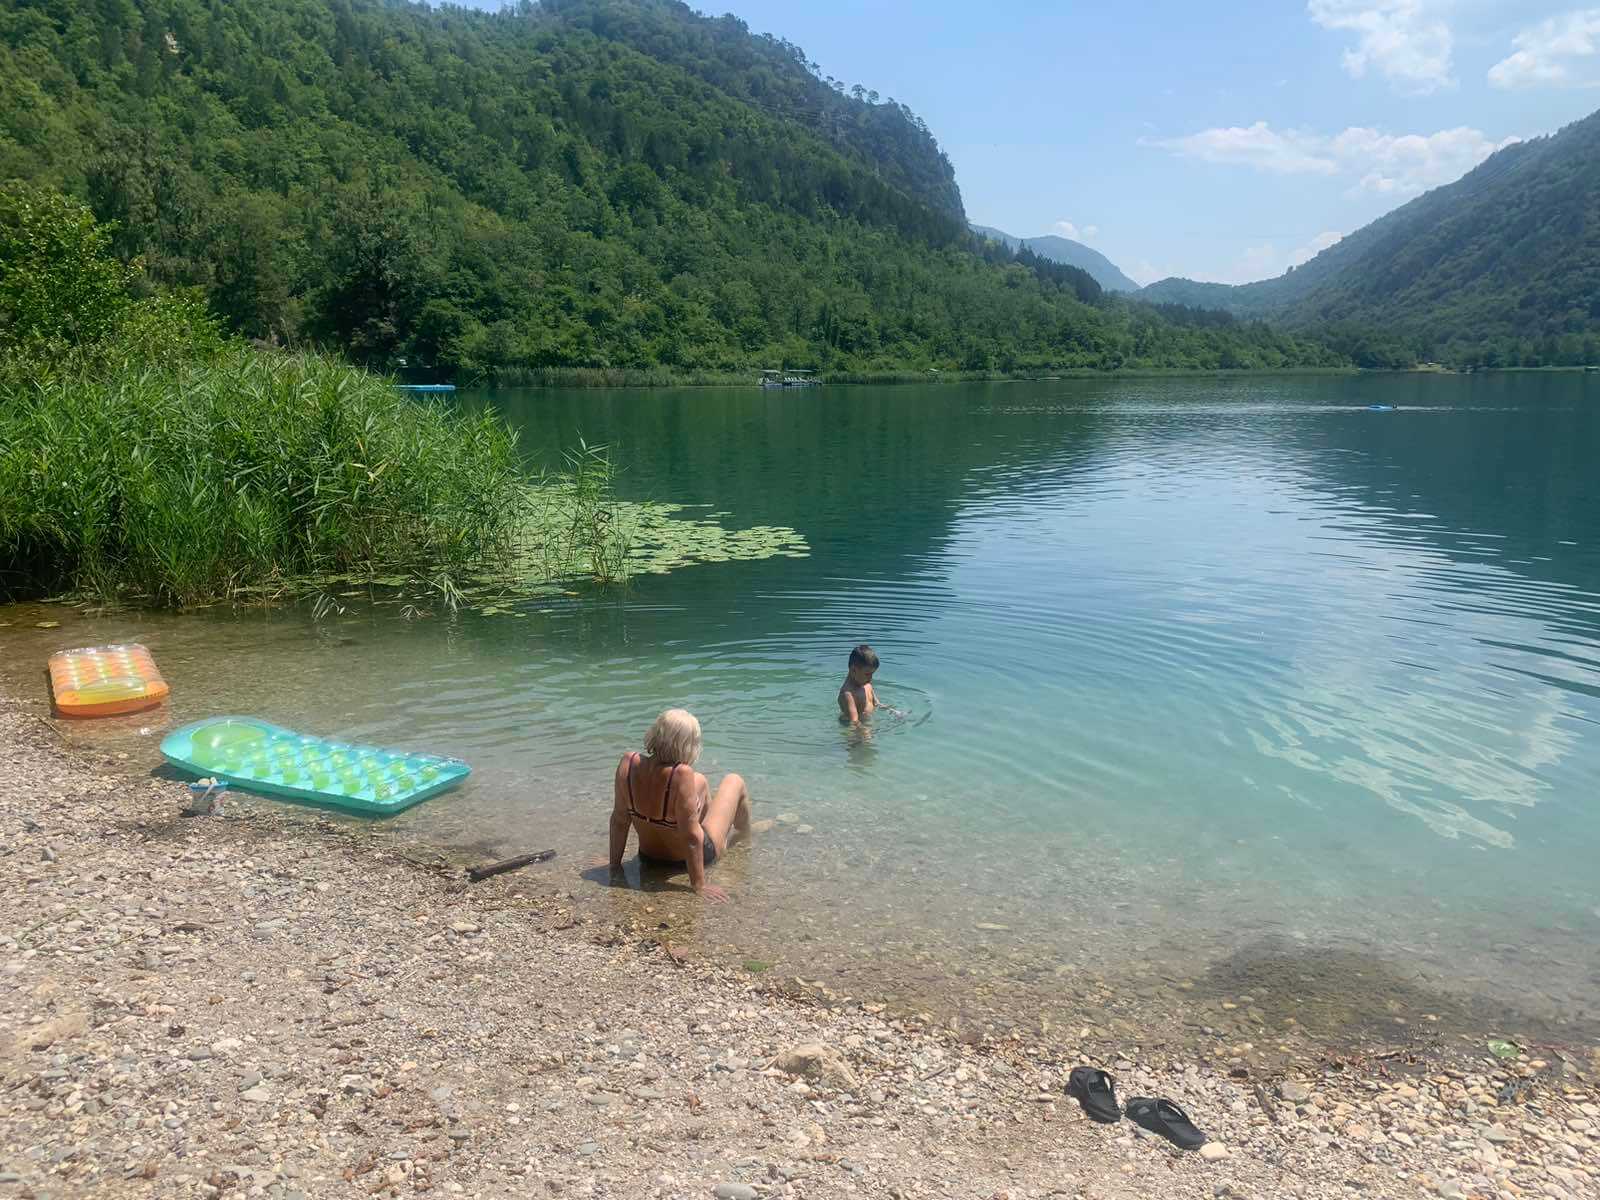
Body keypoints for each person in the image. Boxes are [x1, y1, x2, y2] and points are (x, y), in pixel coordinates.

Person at [606, 709, 751, 903]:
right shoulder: (682, 774)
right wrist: (699, 884)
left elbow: (619, 821)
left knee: (700, 781)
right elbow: (692, 838)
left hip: (648, 858)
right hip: (685, 861)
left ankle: (708, 821)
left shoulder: (628, 763)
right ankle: (746, 832)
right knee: (734, 781)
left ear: (655, 734)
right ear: (689, 745)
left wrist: (614, 865)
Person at [837, 644, 880, 724]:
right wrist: (866, 731)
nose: (871, 677)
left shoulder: (867, 684)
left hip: (867, 723)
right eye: (867, 674)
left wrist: (893, 711)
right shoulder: (847, 694)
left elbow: (877, 704)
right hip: (855, 729)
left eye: (872, 674)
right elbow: (854, 722)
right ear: (853, 670)